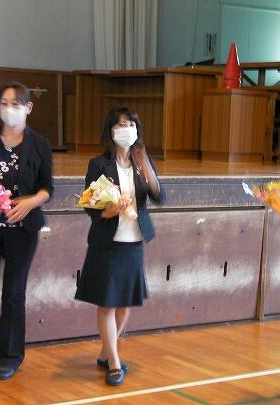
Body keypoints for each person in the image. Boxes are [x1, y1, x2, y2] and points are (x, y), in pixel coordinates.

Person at [75, 106, 165, 386]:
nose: (127, 130)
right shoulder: (98, 164)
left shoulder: (142, 161)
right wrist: (108, 211)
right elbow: (89, 204)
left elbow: (159, 196)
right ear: (111, 131)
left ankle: (106, 352)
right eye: (121, 125)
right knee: (107, 304)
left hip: (134, 241)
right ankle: (114, 363)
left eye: (131, 125)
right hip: (107, 243)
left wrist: (148, 170)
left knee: (126, 303)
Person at [0, 82, 53, 380]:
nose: (9, 109)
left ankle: (10, 356)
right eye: (4, 103)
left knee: (13, 294)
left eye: (15, 104)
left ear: (28, 107)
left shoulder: (40, 144)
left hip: (23, 229)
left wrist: (30, 202)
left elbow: (47, 188)